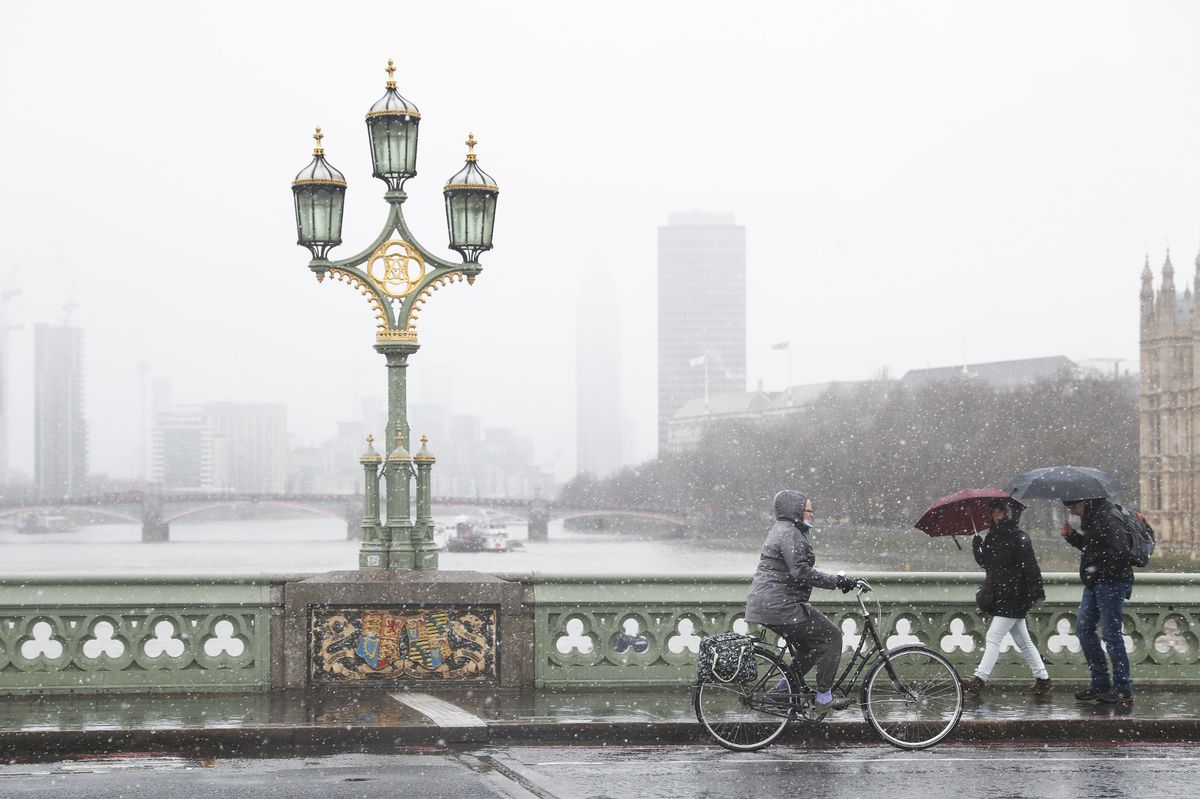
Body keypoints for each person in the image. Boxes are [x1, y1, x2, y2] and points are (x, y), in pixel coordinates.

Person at [744, 490, 861, 711]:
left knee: (810, 647)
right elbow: (801, 571)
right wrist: (837, 581)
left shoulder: (783, 530)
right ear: (796, 511)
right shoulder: (790, 533)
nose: (811, 514)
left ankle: (782, 690)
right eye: (808, 510)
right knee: (832, 636)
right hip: (781, 606)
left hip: (768, 604)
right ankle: (824, 697)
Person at [962, 499, 1050, 696]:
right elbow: (988, 563)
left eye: (995, 511)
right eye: (991, 511)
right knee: (1023, 641)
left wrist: (1035, 594)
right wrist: (978, 546)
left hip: (1015, 596)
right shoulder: (994, 536)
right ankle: (1043, 679)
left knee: (993, 637)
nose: (992, 515)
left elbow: (1031, 569)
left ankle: (979, 679)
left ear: (1006, 512)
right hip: (1002, 594)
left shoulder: (1019, 537)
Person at [1060, 497, 1135, 705]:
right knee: (1084, 629)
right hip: (1096, 581)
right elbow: (1092, 547)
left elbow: (1121, 553)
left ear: (1084, 501)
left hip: (1111, 583)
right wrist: (1072, 536)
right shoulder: (1093, 517)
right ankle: (1100, 683)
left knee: (1111, 635)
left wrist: (1101, 572)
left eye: (1073, 507)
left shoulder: (1108, 516)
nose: (1072, 512)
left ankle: (1122, 688)